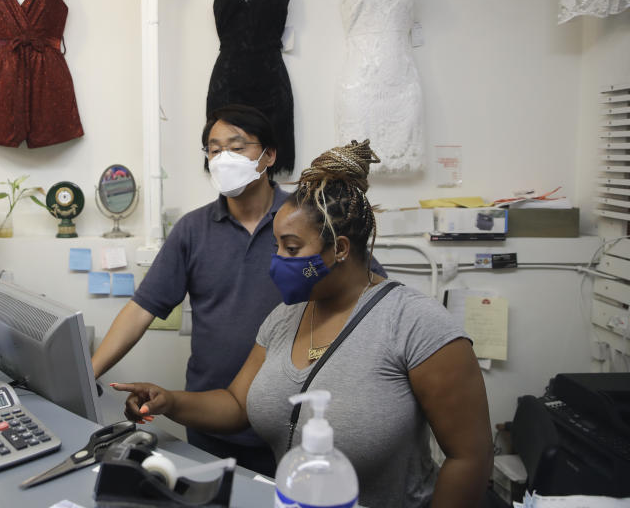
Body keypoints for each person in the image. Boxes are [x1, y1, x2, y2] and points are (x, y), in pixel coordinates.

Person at [111, 140, 492, 508]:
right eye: (276, 246)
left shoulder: (416, 325)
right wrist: (170, 401)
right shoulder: (283, 318)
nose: (277, 260)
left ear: (340, 249)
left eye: (291, 249)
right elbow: (236, 404)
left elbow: (469, 458)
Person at [92, 105, 385, 476]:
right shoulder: (192, 230)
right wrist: (88, 373)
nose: (223, 158)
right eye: (214, 150)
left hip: (295, 421)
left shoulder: (306, 219)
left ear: (269, 155)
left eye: (237, 146)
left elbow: (368, 292)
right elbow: (141, 309)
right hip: (212, 417)